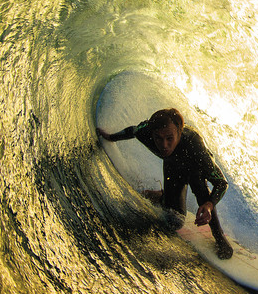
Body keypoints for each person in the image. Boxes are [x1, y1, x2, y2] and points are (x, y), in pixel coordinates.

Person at [96, 108, 234, 259]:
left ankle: (219, 238)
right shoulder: (146, 132)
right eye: (158, 138)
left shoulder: (196, 148)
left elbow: (221, 183)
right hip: (173, 168)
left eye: (170, 138)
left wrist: (209, 205)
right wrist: (110, 137)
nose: (164, 145)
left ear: (179, 133)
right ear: (152, 133)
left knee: (199, 185)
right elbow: (133, 130)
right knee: (174, 221)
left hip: (195, 169)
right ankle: (161, 196)